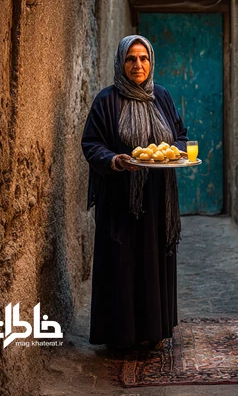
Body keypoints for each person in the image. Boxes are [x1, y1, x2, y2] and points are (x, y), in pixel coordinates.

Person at [81, 35, 188, 350]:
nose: (137, 65)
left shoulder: (162, 97)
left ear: (151, 62)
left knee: (154, 262)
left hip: (158, 200)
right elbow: (91, 143)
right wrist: (114, 160)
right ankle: (120, 337)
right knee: (122, 264)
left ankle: (153, 332)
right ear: (121, 63)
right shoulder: (107, 101)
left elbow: (180, 134)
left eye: (143, 58)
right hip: (121, 200)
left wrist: (178, 151)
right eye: (131, 59)